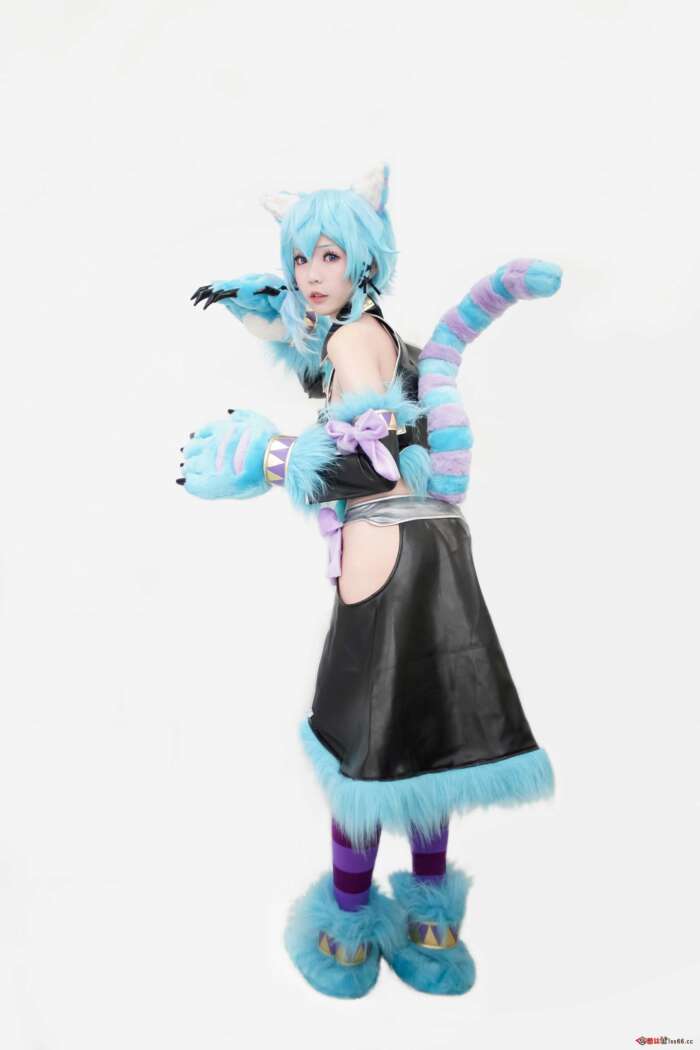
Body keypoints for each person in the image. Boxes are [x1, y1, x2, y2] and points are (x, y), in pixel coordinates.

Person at [179, 164, 562, 999]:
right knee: (426, 737)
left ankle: (348, 934)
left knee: (363, 743)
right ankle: (431, 929)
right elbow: (375, 422)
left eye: (328, 256)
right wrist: (270, 320)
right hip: (432, 550)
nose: (311, 274)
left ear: (363, 258)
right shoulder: (375, 335)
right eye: (300, 259)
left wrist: (270, 457)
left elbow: (370, 465)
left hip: (387, 554)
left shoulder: (353, 342)